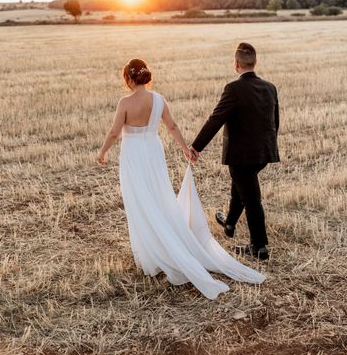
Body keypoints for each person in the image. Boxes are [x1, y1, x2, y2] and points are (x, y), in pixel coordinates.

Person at [97, 58, 265, 300]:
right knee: (159, 196)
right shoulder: (159, 99)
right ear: (146, 76)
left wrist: (103, 152)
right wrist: (186, 148)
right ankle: (163, 245)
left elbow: (114, 132)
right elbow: (172, 126)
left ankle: (151, 255)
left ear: (128, 79)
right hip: (153, 153)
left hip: (133, 155)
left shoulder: (125, 102)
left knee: (140, 202)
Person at [190, 42, 280, 260]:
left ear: (236, 64)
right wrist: (269, 145)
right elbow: (275, 121)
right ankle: (229, 223)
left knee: (251, 199)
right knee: (241, 187)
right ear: (255, 62)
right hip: (264, 152)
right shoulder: (270, 87)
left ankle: (259, 248)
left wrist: (196, 146)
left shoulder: (234, 88)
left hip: (241, 155)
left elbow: (216, 119)